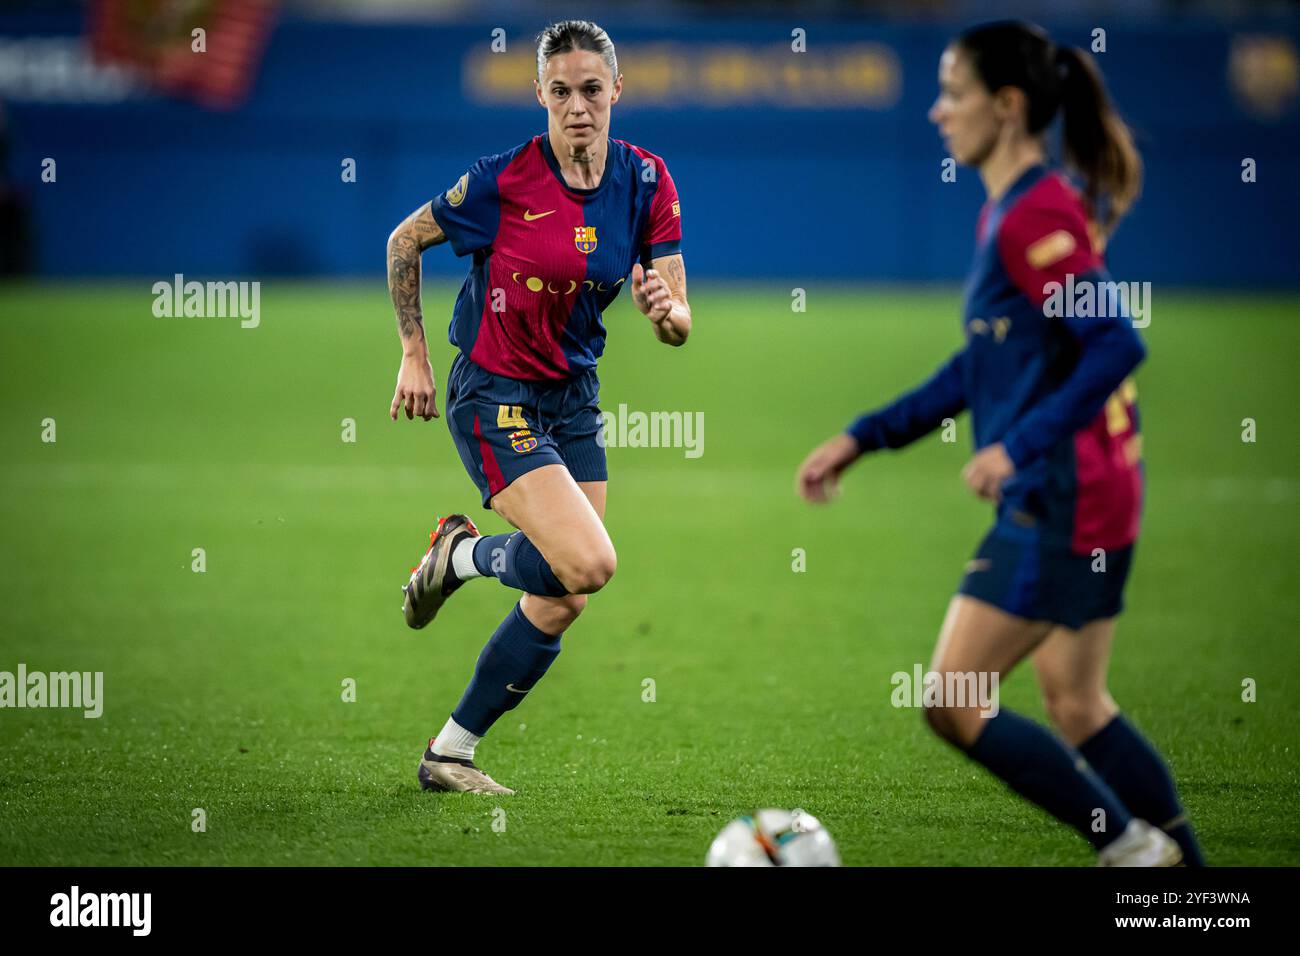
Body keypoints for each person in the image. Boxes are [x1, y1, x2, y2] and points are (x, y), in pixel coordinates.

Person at [796, 21, 1202, 866]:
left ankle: (1129, 851)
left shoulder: (1032, 215)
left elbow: (1117, 342)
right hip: (1100, 486)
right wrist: (863, 438)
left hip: (1065, 494)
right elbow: (981, 362)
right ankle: (1190, 891)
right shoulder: (1017, 208)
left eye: (954, 92)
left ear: (1007, 106)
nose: (938, 112)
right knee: (1078, 703)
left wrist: (1017, 446)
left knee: (953, 699)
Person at [385, 20, 691, 795]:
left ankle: (449, 753)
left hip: (572, 398)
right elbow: (402, 240)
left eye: (592, 89)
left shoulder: (648, 182)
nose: (578, 107)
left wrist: (667, 314)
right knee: (588, 561)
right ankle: (460, 558)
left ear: (617, 90)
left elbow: (679, 318)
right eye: (561, 92)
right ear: (540, 96)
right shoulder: (505, 180)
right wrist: (414, 353)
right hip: (494, 391)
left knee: (566, 595)